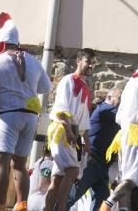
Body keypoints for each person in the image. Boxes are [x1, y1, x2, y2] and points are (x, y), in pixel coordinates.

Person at [0, 12, 52, 211]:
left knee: (1, 164)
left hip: (6, 116)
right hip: (30, 118)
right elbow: (46, 87)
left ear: (0, 43)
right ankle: (21, 206)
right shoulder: (34, 61)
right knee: (20, 164)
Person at [99, 52, 138, 211]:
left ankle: (123, 208)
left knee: (124, 179)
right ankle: (107, 204)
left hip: (124, 134)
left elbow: (120, 116)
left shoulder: (130, 83)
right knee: (132, 179)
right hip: (136, 134)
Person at [45, 48, 97, 211]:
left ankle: (47, 209)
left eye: (93, 63)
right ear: (78, 61)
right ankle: (60, 209)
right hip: (62, 131)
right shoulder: (68, 81)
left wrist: (87, 142)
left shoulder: (85, 88)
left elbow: (84, 120)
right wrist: (68, 131)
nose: (91, 65)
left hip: (72, 134)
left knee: (58, 177)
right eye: (88, 61)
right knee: (72, 171)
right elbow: (61, 110)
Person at [71, 84, 122, 211]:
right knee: (71, 197)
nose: (123, 102)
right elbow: (124, 117)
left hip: (102, 165)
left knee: (102, 201)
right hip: (91, 162)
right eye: (121, 98)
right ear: (109, 97)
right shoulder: (105, 110)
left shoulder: (114, 114)